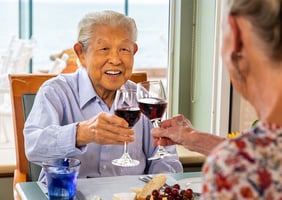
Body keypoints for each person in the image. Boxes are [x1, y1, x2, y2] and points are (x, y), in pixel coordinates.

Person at [24, 10, 183, 180]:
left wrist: (158, 186)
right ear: (81, 53)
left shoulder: (142, 98)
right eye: (104, 48)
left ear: (134, 51)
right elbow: (34, 147)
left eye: (124, 49)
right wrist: (81, 133)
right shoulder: (55, 91)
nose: (115, 59)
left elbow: (166, 159)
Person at [151, 0, 282, 199]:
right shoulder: (248, 157)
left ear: (236, 33)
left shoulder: (235, 168)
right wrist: (193, 137)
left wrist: (230, 157)